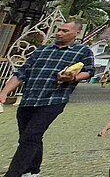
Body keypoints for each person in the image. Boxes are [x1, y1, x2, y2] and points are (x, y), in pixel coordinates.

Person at [0, 20, 95, 177]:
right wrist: (4, 92)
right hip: (29, 98)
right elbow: (22, 72)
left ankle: (13, 173)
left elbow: (89, 72)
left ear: (76, 33)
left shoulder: (82, 51)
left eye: (65, 31)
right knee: (28, 136)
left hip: (54, 99)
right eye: (59, 30)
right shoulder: (42, 50)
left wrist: (71, 78)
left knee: (31, 136)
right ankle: (33, 169)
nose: (59, 33)